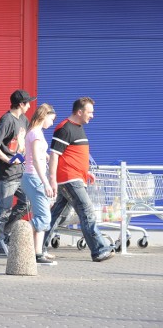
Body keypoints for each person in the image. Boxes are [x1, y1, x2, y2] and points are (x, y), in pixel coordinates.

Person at [43, 97, 115, 262]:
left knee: (56, 216)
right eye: (90, 112)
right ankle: (99, 250)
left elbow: (73, 155)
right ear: (79, 111)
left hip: (75, 177)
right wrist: (53, 179)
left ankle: (38, 247)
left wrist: (85, 172)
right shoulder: (64, 128)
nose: (92, 116)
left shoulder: (78, 128)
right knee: (87, 211)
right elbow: (54, 155)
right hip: (68, 179)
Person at [0, 89, 34, 256]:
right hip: (7, 174)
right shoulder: (7, 120)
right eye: (28, 103)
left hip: (19, 172)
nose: (29, 105)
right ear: (21, 104)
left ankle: (4, 233)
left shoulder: (23, 119)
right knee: (4, 208)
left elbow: (25, 142)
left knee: (27, 202)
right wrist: (6, 159)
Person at [21, 103, 58, 265]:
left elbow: (36, 155)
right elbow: (35, 159)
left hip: (33, 176)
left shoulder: (35, 132)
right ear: (44, 116)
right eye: (51, 119)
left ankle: (37, 253)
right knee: (44, 217)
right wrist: (46, 182)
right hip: (35, 178)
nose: (52, 123)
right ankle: (17, 234)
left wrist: (47, 157)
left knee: (41, 216)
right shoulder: (35, 133)